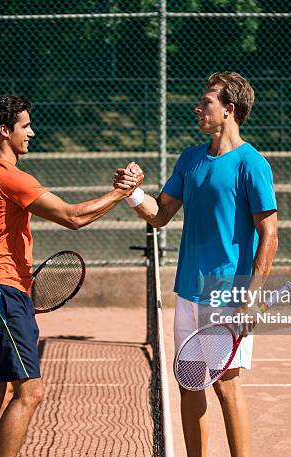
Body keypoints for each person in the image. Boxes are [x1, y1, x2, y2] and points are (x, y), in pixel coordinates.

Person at [115, 72, 278, 457]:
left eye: (206, 102)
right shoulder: (190, 159)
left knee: (226, 385)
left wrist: (252, 297)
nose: (198, 108)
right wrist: (132, 193)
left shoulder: (252, 164)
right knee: (189, 382)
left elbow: (269, 234)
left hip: (227, 293)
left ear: (229, 110)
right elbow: (160, 215)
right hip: (188, 290)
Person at [0, 94, 142, 457]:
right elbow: (73, 217)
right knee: (31, 393)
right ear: (5, 131)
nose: (32, 132)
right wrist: (121, 192)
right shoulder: (8, 176)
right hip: (2, 290)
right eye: (25, 126)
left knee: (0, 394)